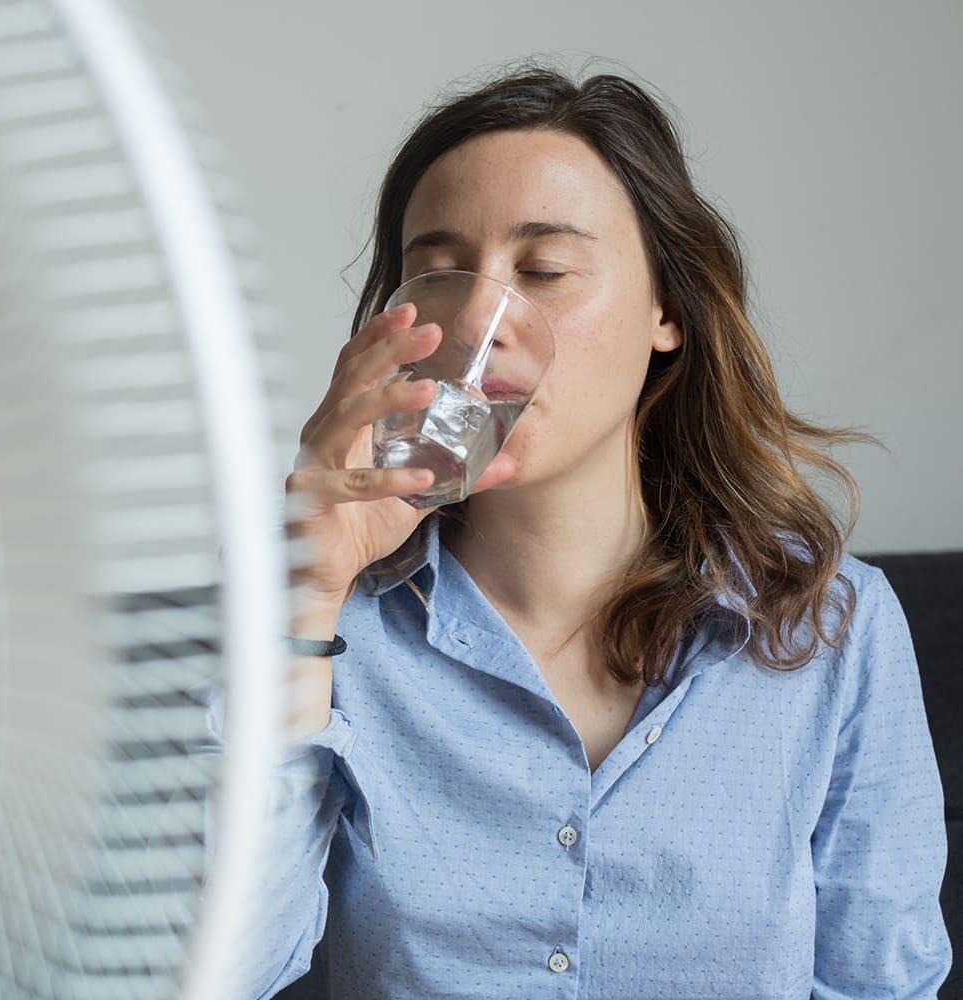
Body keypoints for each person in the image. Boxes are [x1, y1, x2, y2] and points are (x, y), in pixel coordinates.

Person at [241, 65, 951, 998]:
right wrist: (303, 596)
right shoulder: (337, 628)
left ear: (667, 310)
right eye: (438, 272)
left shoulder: (835, 625)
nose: (481, 323)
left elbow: (880, 984)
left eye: (544, 271)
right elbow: (220, 971)